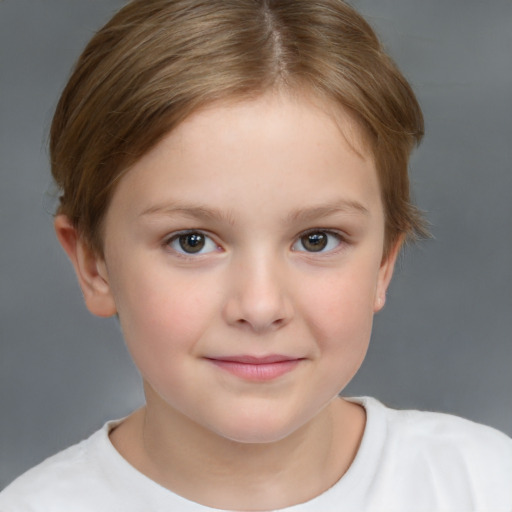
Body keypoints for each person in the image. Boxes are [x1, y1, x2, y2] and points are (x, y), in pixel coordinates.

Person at [1, 0, 510, 510]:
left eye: (317, 239)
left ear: (383, 263)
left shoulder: (484, 485)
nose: (261, 306)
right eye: (192, 241)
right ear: (95, 265)